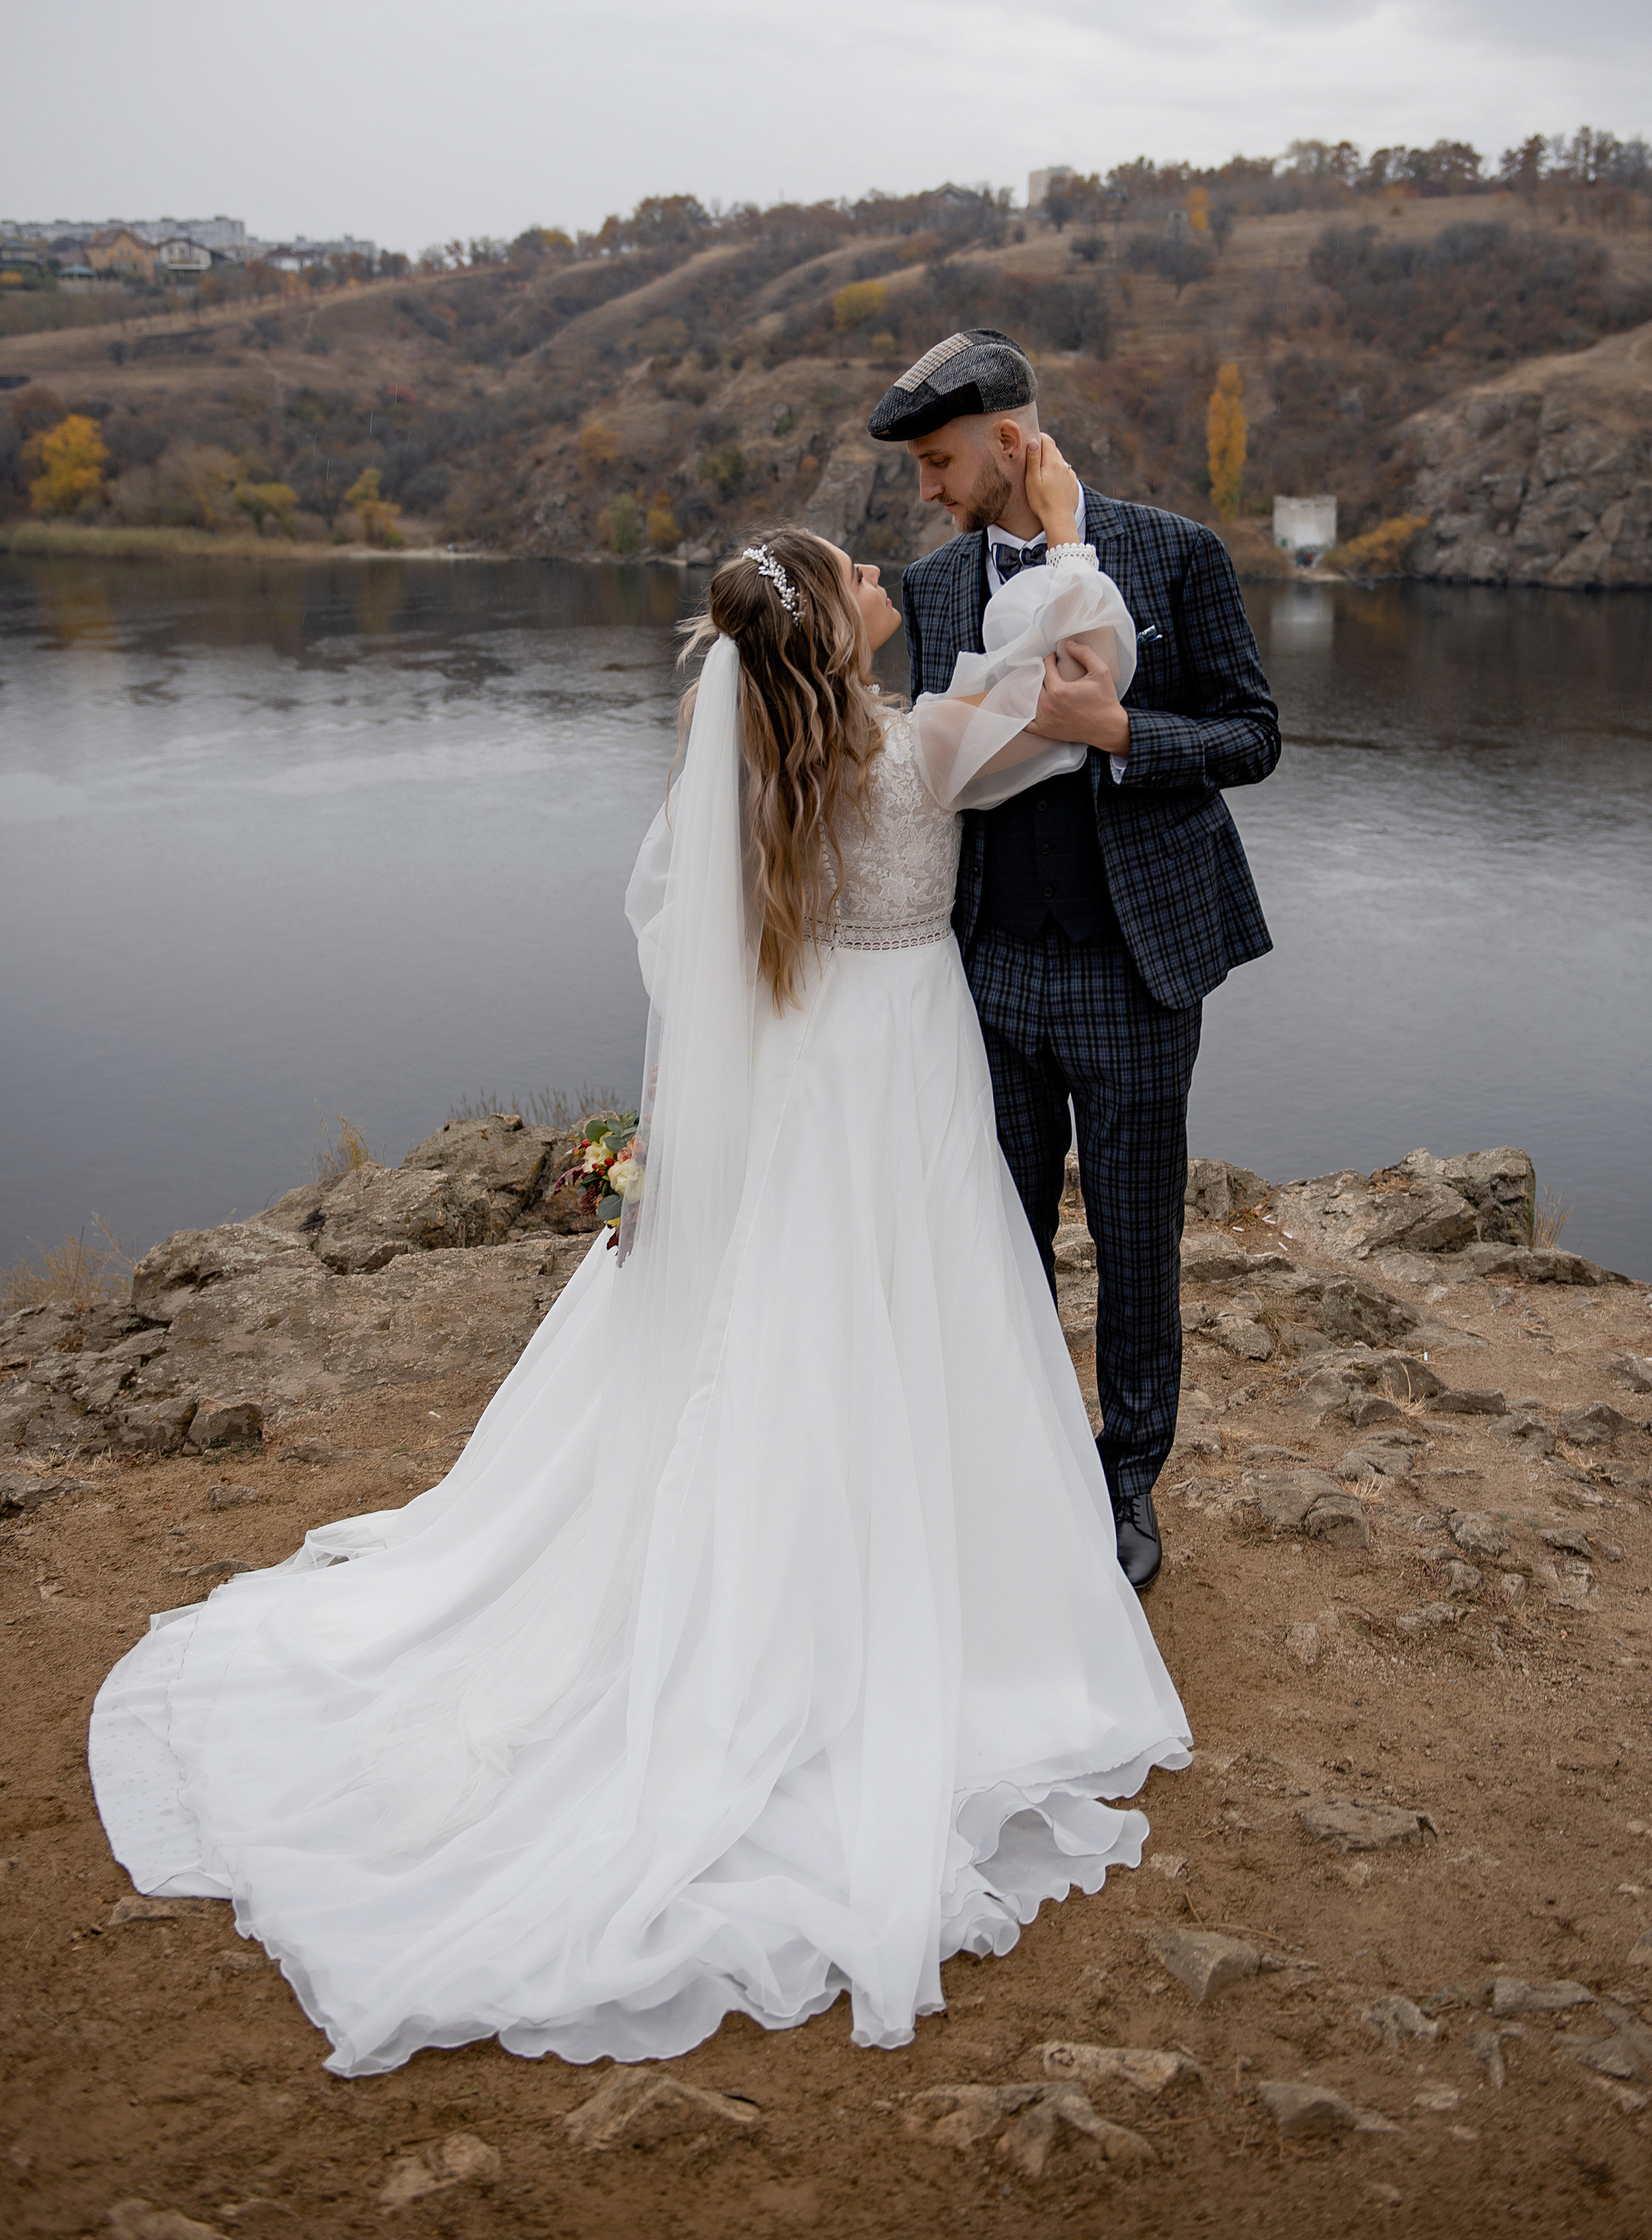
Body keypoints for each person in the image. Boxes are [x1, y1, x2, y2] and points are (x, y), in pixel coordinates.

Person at [87, 471, 1190, 2082]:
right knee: (912, 1310)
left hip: (803, 1074)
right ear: (832, 634)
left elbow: (696, 923)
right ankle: (899, 1576)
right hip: (905, 1071)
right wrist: (1065, 532)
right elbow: (1082, 660)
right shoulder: (923, 752)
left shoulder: (734, 752)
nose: (885, 569)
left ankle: (794, 1536)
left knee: (792, 1316)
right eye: (859, 575)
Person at [875, 330, 1280, 1592]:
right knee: (1000, 1234)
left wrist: (1121, 730)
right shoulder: (933, 588)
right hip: (986, 967)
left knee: (1136, 1236)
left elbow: (1255, 734)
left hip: (1135, 967)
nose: (928, 491)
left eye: (941, 463)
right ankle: (1024, 1459)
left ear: (1011, 440)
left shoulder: (1175, 551)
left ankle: (1126, 1482)